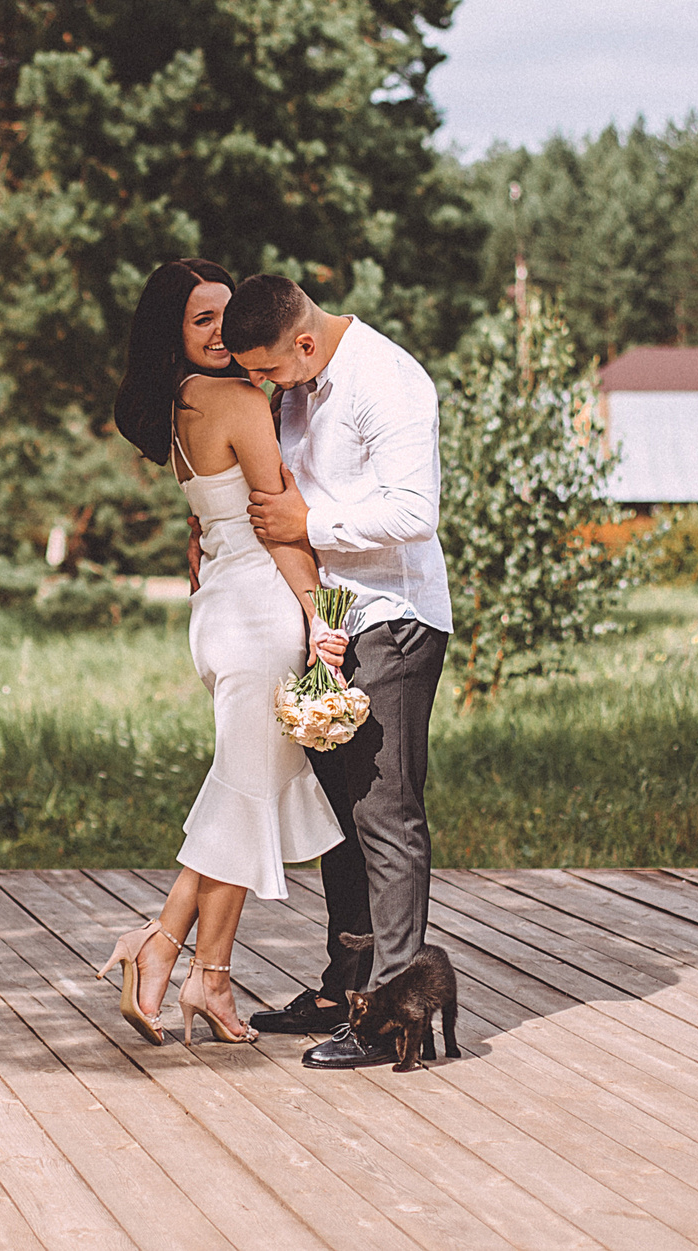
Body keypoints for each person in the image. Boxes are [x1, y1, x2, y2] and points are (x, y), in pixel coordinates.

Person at [101, 259, 349, 1044]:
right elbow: (279, 518)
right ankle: (160, 945)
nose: (218, 333)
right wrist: (324, 620)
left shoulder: (179, 405)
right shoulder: (240, 399)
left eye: (224, 316)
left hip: (219, 610)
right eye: (200, 320)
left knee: (247, 793)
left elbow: (215, 512)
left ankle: (209, 979)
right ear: (174, 332)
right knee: (244, 793)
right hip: (259, 612)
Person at [221, 274, 453, 1069]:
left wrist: (308, 522)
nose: (267, 386)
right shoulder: (300, 382)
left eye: (272, 371)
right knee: (340, 816)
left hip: (395, 618)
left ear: (306, 342)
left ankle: (393, 1011)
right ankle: (343, 990)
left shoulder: (388, 379)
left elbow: (415, 511)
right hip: (335, 623)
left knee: (385, 816)